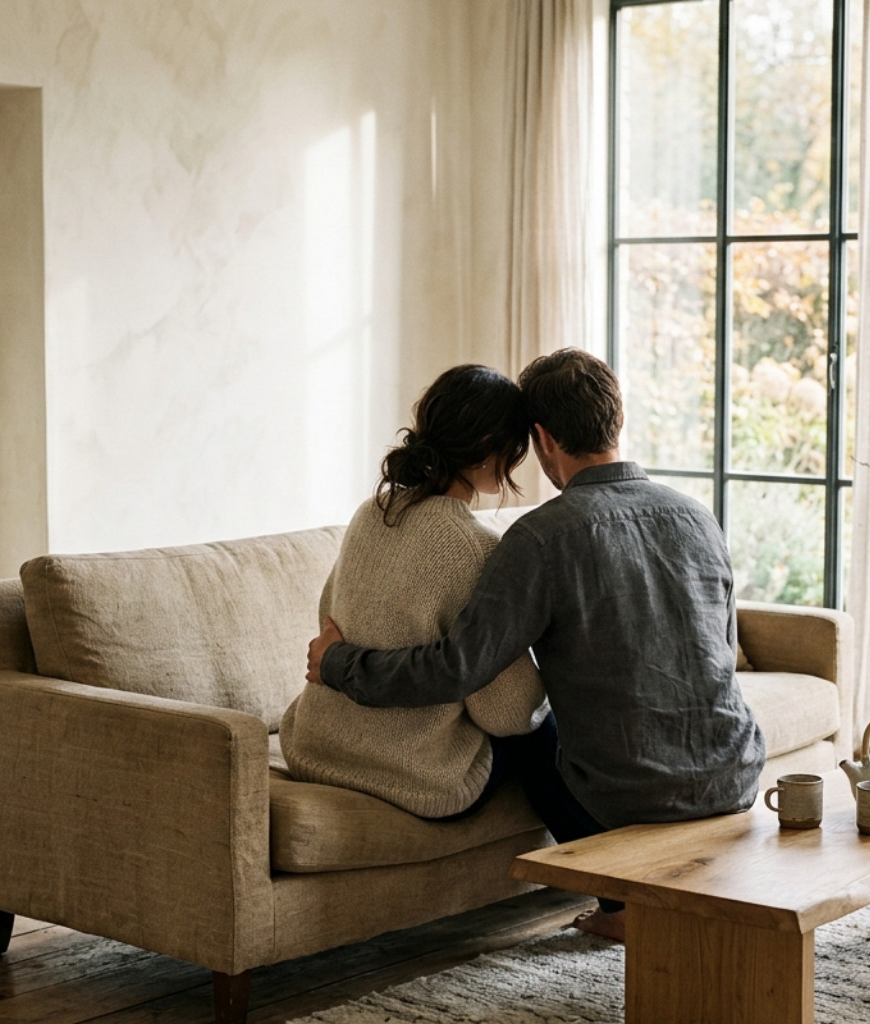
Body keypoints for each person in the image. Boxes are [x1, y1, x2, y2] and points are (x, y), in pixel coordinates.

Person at [305, 348, 765, 942]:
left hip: (626, 794)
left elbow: (457, 670)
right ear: (618, 421)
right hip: (738, 774)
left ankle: (621, 906)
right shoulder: (698, 517)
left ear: (543, 439)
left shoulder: (538, 539)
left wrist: (339, 663)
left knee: (535, 732)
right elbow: (723, 652)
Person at [279, 364, 548, 821]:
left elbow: (329, 618)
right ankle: (612, 880)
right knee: (547, 734)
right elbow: (507, 712)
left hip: (314, 745)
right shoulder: (475, 547)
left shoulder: (373, 511)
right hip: (410, 770)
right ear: (490, 451)